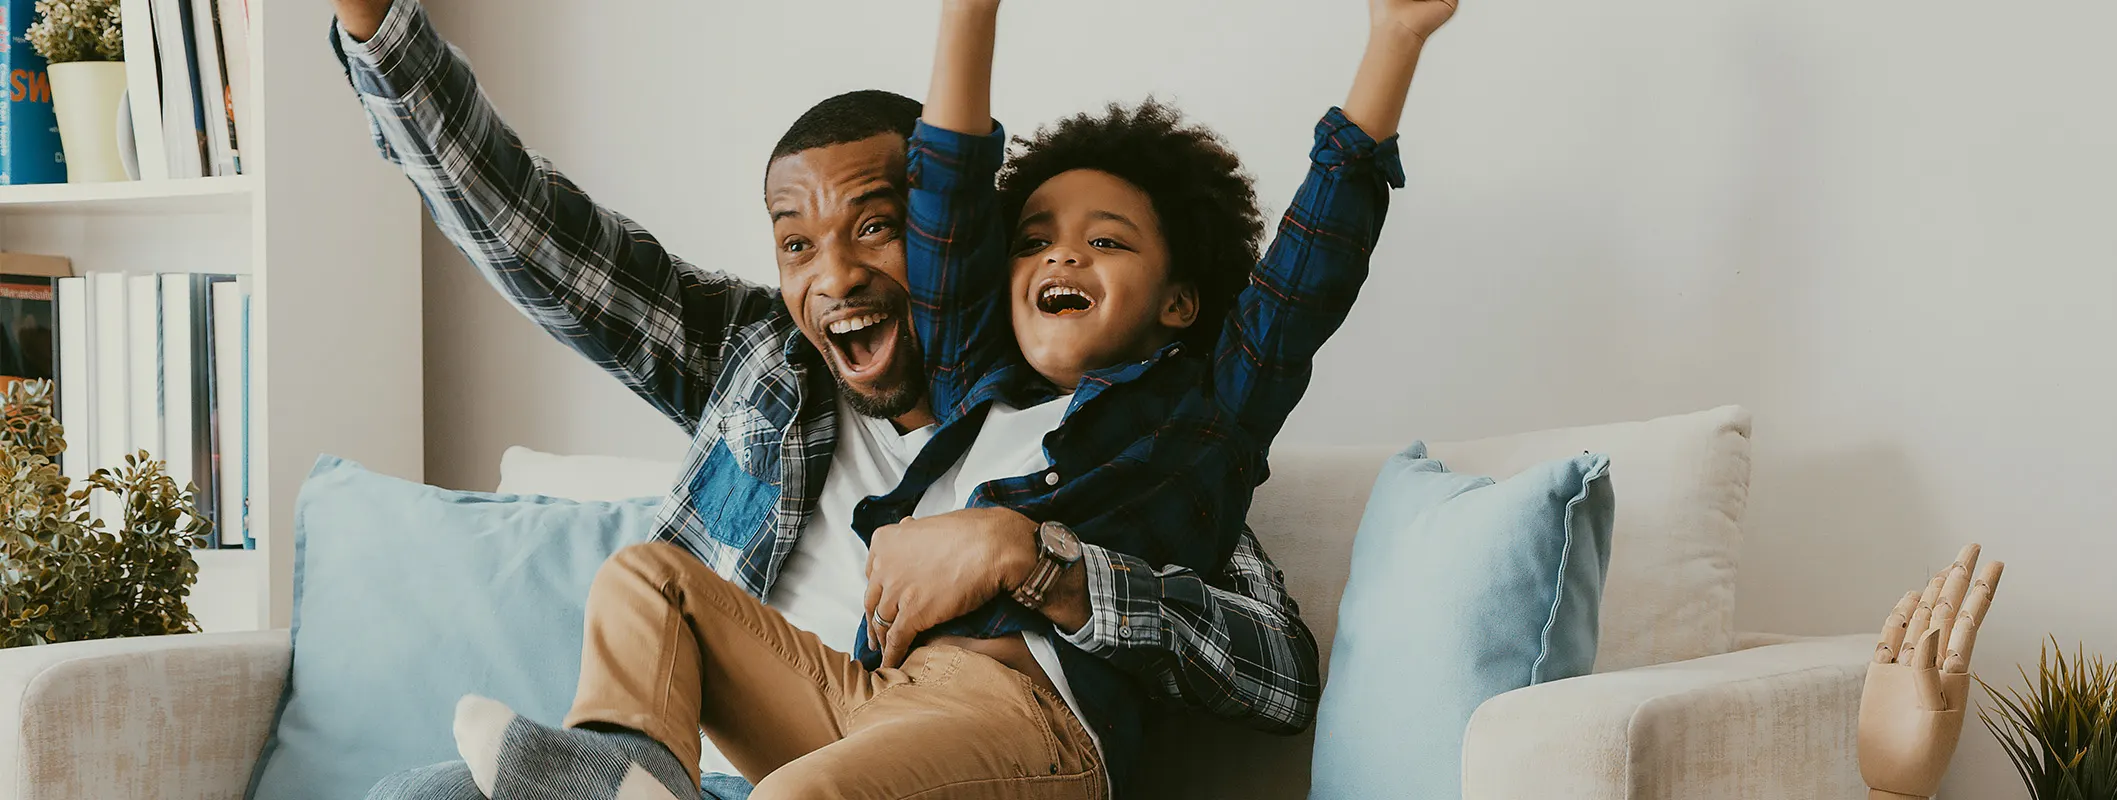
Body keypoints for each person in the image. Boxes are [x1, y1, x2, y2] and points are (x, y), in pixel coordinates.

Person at [434, 0, 1454, 793]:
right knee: (648, 579)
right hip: (874, 699)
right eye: (1036, 239)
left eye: (1105, 241)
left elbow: (1308, 273)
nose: (1060, 254)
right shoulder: (973, 386)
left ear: (1180, 300)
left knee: (799, 796)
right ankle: (628, 775)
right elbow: (952, 193)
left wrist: (1393, 45)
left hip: (1026, 726)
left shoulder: (1198, 426)